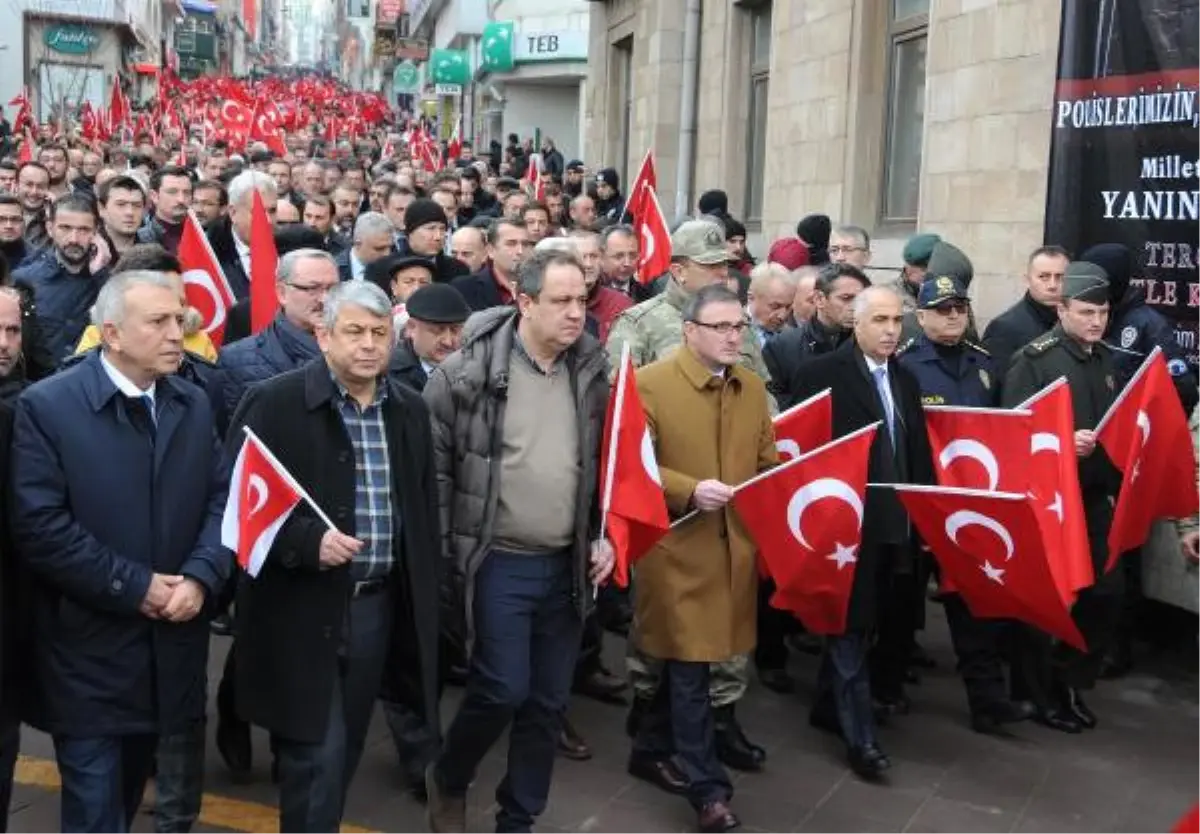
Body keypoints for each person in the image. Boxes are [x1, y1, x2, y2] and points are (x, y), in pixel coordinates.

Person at [9, 269, 231, 834]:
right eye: (157, 322)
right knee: (93, 809)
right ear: (111, 333)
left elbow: (221, 501)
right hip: (87, 653)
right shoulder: (48, 406)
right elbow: (41, 526)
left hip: (170, 649)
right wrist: (136, 586)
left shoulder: (194, 402)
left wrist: (201, 577)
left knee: (129, 793)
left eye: (178, 319)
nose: (176, 333)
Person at [227, 280, 441, 832]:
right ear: (323, 336)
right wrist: (304, 543)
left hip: (376, 608)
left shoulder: (410, 411)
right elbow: (235, 504)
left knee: (340, 754)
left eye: (379, 333)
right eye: (354, 332)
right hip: (300, 607)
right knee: (314, 755)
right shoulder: (275, 402)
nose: (369, 345)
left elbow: (420, 509)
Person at [423, 249, 615, 834]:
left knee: (548, 703)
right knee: (502, 688)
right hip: (496, 560)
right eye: (560, 301)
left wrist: (604, 536)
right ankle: (450, 776)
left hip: (567, 564)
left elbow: (607, 466)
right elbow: (435, 478)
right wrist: (445, 564)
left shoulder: (593, 371)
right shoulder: (463, 374)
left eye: (582, 299)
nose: (575, 313)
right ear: (523, 301)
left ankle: (518, 817)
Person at [607, 219, 770, 782]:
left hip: (730, 530)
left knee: (713, 655)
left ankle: (685, 738)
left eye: (728, 269)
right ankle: (691, 770)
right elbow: (624, 439)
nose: (724, 275)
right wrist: (682, 489)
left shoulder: (742, 362)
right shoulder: (641, 330)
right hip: (670, 528)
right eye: (711, 267)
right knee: (669, 652)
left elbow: (761, 421)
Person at [631, 284, 776, 833]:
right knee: (692, 666)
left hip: (733, 548)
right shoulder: (650, 384)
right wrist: (690, 489)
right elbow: (633, 466)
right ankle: (708, 791)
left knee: (695, 660)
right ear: (690, 332)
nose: (734, 335)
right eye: (721, 326)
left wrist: (783, 472)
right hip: (676, 550)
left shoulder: (753, 386)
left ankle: (648, 747)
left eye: (739, 325)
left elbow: (765, 458)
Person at [787, 286, 934, 778]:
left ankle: (828, 707)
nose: (892, 331)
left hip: (897, 526)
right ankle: (860, 739)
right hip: (845, 529)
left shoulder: (907, 380)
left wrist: (926, 516)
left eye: (898, 320)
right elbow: (800, 456)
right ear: (856, 322)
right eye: (881, 321)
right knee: (848, 629)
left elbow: (917, 454)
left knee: (872, 625)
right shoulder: (821, 376)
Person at [896, 270, 1038, 734]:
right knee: (900, 603)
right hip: (920, 502)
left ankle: (987, 700)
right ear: (921, 317)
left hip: (968, 506)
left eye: (959, 308)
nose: (954, 316)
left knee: (972, 601)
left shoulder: (985, 363)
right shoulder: (905, 366)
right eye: (942, 310)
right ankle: (886, 687)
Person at [1002, 262, 1125, 733]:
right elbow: (1012, 434)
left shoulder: (1104, 358)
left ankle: (1068, 678)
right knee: (1049, 602)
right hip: (1048, 500)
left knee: (1106, 594)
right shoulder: (1034, 360)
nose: (1097, 321)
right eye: (1087, 311)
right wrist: (1061, 440)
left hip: (1092, 498)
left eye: (1104, 312)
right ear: (1062, 309)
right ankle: (1037, 693)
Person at [13, 193, 110, 379]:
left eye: (83, 230)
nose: (74, 238)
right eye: (65, 228)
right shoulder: (23, 280)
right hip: (39, 388)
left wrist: (100, 275)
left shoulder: (106, 281)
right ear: (50, 228)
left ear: (95, 232)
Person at [764, 263, 870, 410]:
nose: (854, 307)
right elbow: (775, 403)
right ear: (819, 299)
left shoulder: (868, 345)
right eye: (846, 298)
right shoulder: (782, 346)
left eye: (861, 300)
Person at [982, 245, 1070, 378]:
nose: (1052, 285)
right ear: (1027, 280)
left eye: (1060, 277)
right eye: (1044, 277)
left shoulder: (1074, 320)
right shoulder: (1004, 328)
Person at [206, 170, 278, 299]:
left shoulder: (289, 249)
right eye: (258, 211)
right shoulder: (208, 254)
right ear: (233, 213)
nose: (268, 220)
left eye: (272, 211)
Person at [451, 217, 532, 311]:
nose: (520, 251)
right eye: (511, 244)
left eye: (525, 244)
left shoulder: (541, 286)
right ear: (490, 250)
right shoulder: (464, 288)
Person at [745, 261, 797, 346]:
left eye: (788, 307)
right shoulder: (733, 333)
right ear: (751, 298)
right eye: (775, 306)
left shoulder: (792, 336)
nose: (782, 316)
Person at [336, 212, 396, 283]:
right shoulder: (334, 269)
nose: (387, 254)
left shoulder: (396, 270)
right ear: (358, 244)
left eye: (390, 248)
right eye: (379, 249)